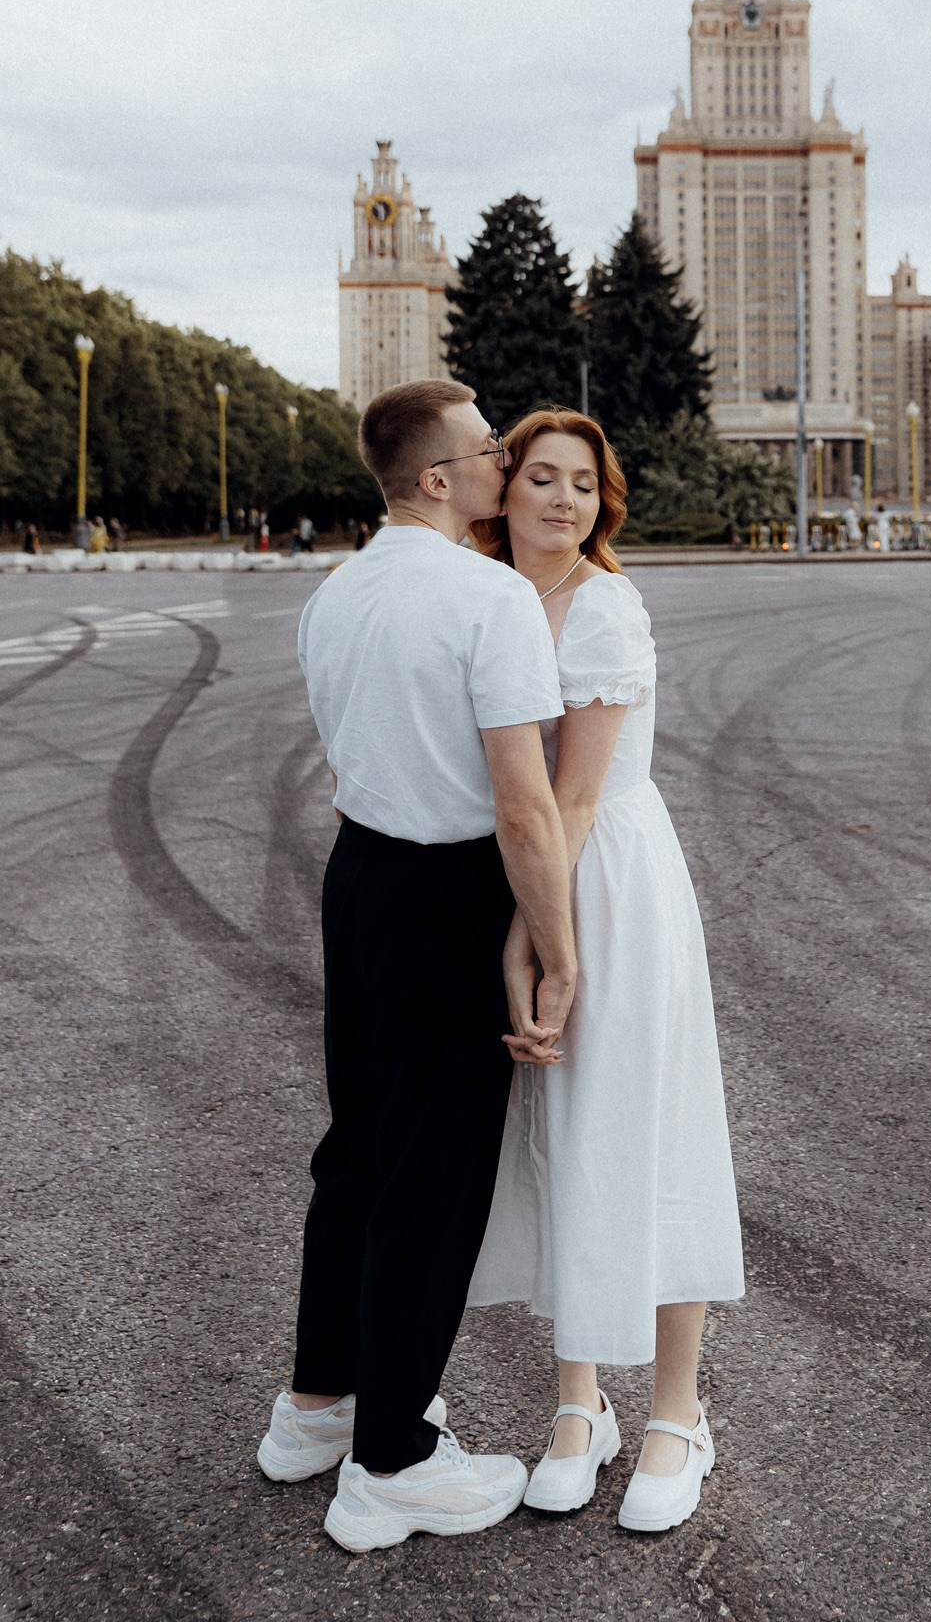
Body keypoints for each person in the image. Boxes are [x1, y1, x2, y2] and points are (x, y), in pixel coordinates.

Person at [257, 378, 578, 1555]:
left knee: (360, 1147)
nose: (504, 462)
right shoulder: (488, 598)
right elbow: (524, 803)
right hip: (447, 891)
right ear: (439, 477)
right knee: (432, 1171)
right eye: (490, 448)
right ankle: (389, 1458)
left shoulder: (335, 592)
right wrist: (557, 944)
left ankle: (317, 1403)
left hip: (360, 880)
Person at [467, 408, 744, 1535]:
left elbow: (574, 795)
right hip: (532, 870)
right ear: (503, 487)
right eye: (542, 476)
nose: (564, 500)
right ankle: (579, 1403)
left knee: (651, 1124)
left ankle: (679, 1408)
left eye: (584, 483)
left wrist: (543, 937)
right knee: (560, 1134)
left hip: (607, 880)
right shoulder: (487, 595)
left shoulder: (606, 604)